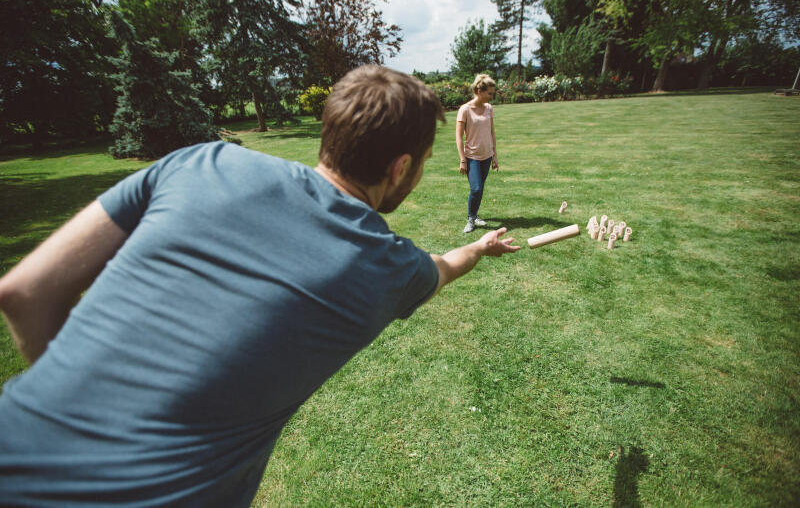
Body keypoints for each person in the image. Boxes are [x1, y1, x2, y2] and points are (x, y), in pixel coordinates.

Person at [0, 65, 520, 507]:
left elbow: (23, 292)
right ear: (400, 166)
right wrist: (479, 248)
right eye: (423, 164)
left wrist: (70, 419)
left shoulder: (202, 161)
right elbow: (444, 266)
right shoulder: (386, 265)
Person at [456, 73, 499, 234]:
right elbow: (458, 137)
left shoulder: (489, 108)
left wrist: (494, 155)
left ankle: (474, 215)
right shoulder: (465, 110)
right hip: (472, 156)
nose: (492, 96)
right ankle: (471, 219)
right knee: (476, 188)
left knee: (480, 189)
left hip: (487, 155)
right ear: (479, 91)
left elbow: (492, 132)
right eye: (489, 93)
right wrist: (462, 160)